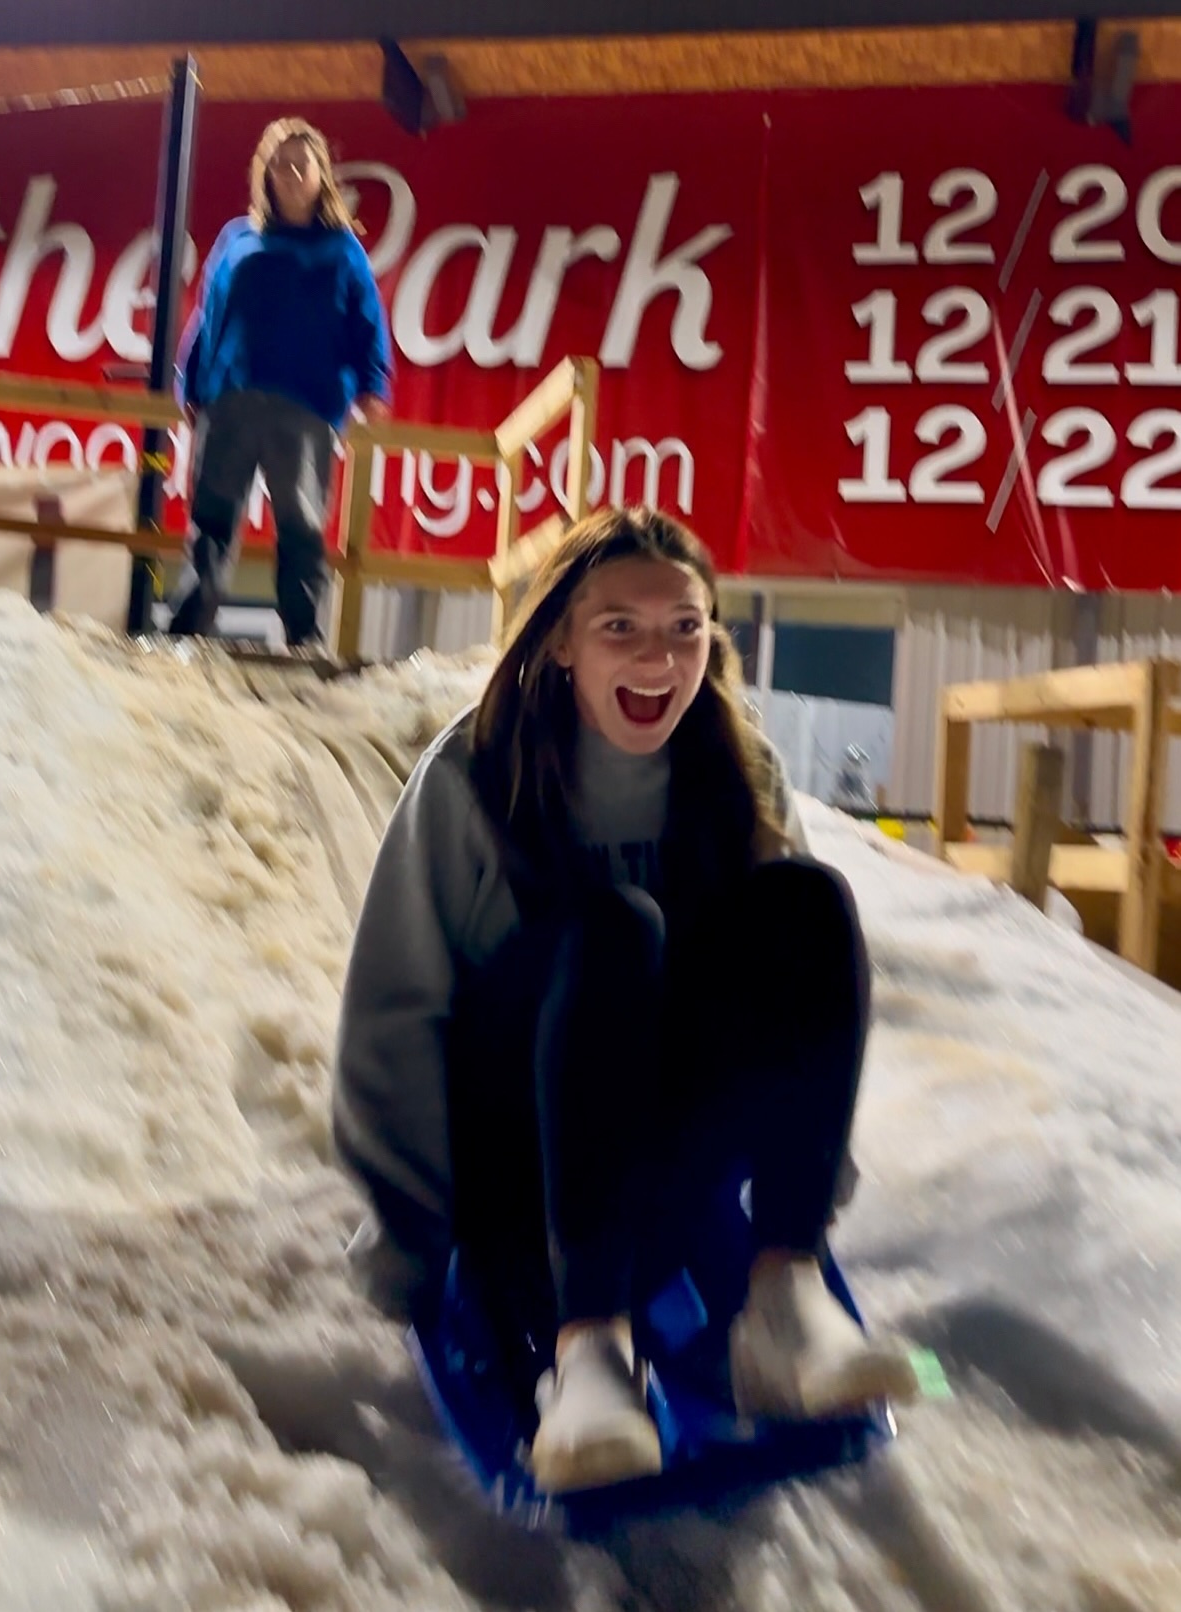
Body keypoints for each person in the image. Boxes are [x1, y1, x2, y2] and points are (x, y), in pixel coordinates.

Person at [333, 506, 919, 1497]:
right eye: (622, 628)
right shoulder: (475, 779)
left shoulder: (737, 773)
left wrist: (805, 1182)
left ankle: (783, 1300)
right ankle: (590, 1354)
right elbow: (394, 1012)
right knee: (612, 929)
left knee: (806, 902)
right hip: (517, 1173)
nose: (659, 658)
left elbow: (799, 1002)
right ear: (561, 639)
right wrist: (406, 1234)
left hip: (655, 1152)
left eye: (685, 627)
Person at [169, 117, 394, 647]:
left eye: (302, 164)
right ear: (264, 175)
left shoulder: (343, 251)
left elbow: (367, 322)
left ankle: (302, 637)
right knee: (212, 519)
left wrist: (374, 386)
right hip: (230, 399)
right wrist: (190, 384)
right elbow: (207, 314)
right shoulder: (236, 238)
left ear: (322, 175)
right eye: (280, 164)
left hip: (307, 407)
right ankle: (187, 630)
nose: (291, 173)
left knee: (301, 525)